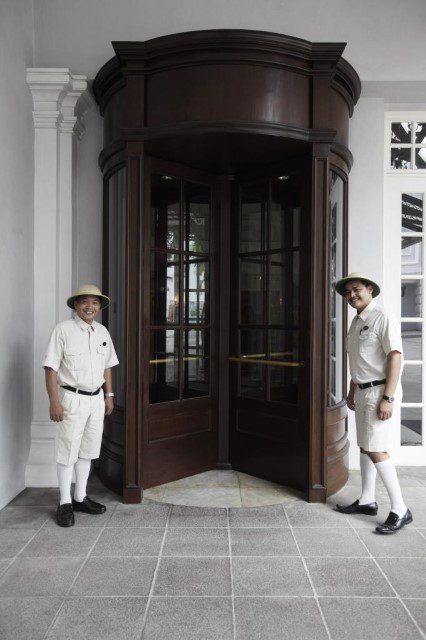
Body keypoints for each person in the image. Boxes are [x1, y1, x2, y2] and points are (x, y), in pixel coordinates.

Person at [334, 272, 412, 534]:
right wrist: (352, 388)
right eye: (347, 293)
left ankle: (401, 509)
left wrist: (388, 398)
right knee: (366, 446)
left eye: (356, 289)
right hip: (363, 391)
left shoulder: (383, 317)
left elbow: (395, 357)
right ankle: (367, 500)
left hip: (380, 392)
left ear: (369, 289)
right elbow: (359, 360)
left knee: (377, 449)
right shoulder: (356, 321)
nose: (351, 295)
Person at [43, 284, 119, 527]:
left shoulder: (102, 332)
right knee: (68, 451)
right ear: (76, 305)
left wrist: (109, 395)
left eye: (95, 302)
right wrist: (54, 401)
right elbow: (50, 367)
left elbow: (107, 365)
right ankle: (64, 502)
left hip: (96, 399)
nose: (90, 306)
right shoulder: (62, 330)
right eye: (85, 301)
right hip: (71, 399)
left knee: (88, 450)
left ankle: (80, 497)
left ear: (99, 306)